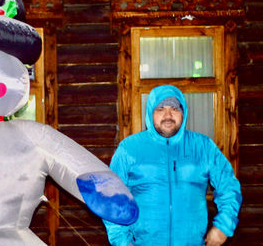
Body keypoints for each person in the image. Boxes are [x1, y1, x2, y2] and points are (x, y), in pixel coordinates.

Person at [103, 84, 242, 246]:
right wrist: (122, 242)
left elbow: (229, 186)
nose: (168, 115)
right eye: (161, 108)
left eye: (174, 109)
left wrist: (223, 227)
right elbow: (111, 197)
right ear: (150, 112)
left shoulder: (203, 147)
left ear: (183, 113)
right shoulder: (130, 148)